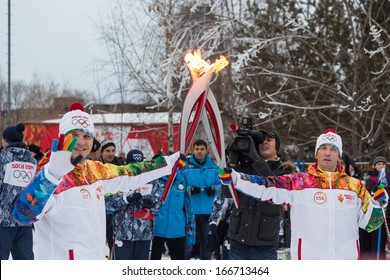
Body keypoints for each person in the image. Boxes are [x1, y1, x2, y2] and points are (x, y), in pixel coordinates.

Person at [10, 102, 180, 260]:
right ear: (63, 137)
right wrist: (52, 175)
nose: (81, 142)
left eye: (87, 136)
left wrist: (167, 163)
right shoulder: (48, 174)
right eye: (74, 135)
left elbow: (129, 173)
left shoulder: (93, 170)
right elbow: (21, 214)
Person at [219, 128, 388, 260]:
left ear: (339, 155)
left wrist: (377, 204)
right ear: (316, 153)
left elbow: (370, 224)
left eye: (333, 149)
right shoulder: (299, 182)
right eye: (323, 148)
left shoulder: (355, 186)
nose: (327, 153)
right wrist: (236, 178)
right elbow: (266, 187)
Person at [210, 129, 293, 260]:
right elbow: (227, 193)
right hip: (238, 239)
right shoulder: (245, 168)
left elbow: (273, 184)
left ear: (277, 147)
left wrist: (255, 157)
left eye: (269, 140)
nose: (264, 143)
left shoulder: (284, 172)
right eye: (261, 141)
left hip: (265, 243)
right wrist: (232, 163)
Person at [105, 149, 163, 260]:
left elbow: (159, 202)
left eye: (139, 165)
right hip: (122, 234)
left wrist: (152, 203)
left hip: (144, 234)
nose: (136, 168)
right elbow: (108, 203)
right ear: (127, 164)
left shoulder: (151, 180)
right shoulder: (118, 180)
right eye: (133, 165)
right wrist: (126, 199)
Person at [0, 123, 37, 260]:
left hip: (3, 221)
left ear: (6, 140)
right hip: (24, 219)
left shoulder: (2, 159)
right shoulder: (33, 161)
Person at [182, 139, 220, 260]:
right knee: (187, 243)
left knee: (206, 242)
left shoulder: (214, 167)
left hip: (207, 211)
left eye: (202, 149)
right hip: (190, 211)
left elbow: (222, 185)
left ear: (206, 150)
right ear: (193, 150)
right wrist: (190, 189)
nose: (199, 151)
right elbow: (179, 185)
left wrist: (214, 189)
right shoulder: (185, 167)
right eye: (197, 149)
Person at [151, 161, 195, 260]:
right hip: (157, 229)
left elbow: (189, 207)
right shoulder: (157, 180)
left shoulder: (183, 181)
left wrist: (190, 230)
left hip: (177, 230)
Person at [359, 156, 390, 259]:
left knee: (381, 243)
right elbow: (367, 195)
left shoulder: (388, 178)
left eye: (383, 164)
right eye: (378, 164)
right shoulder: (371, 180)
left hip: (387, 213)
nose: (381, 166)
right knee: (374, 243)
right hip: (375, 215)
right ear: (374, 166)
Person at [99, 139, 123, 256]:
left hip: (116, 213)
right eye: (108, 150)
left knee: (114, 245)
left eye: (113, 150)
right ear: (101, 152)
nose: (111, 153)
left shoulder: (120, 166)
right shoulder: (96, 167)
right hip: (99, 211)